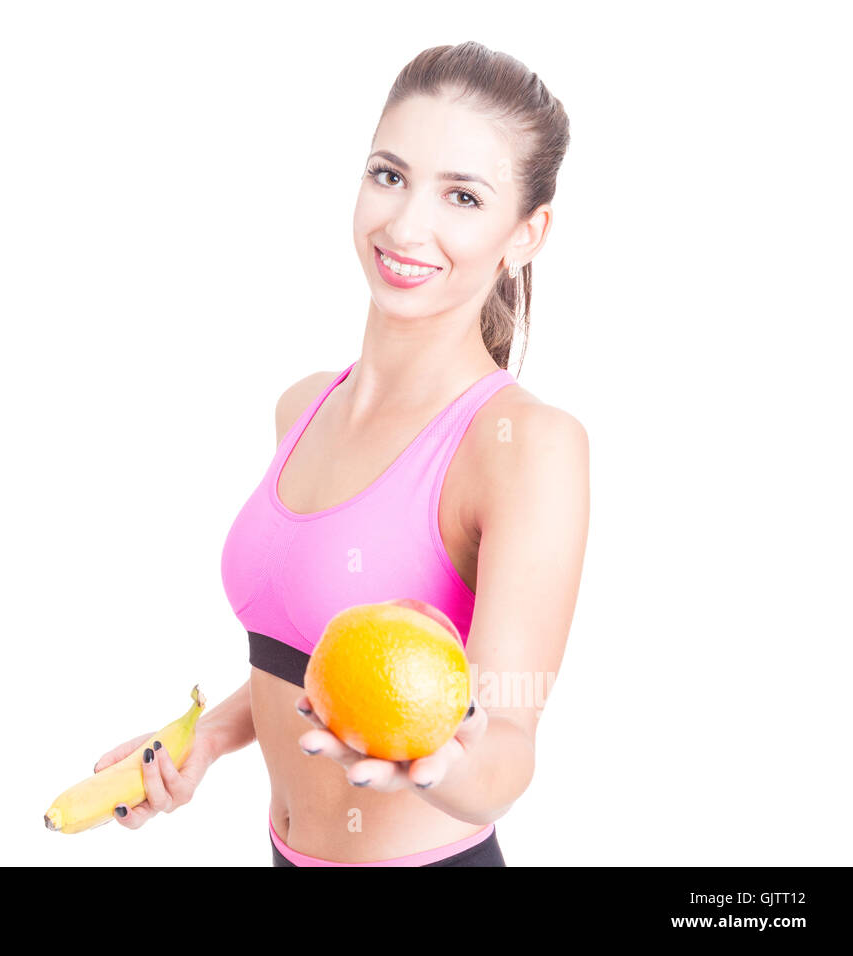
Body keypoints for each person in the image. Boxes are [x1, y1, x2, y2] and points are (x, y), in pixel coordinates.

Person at [92, 41, 588, 866]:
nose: (405, 224)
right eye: (389, 175)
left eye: (463, 196)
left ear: (526, 233)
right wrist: (208, 737)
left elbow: (508, 747)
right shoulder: (301, 405)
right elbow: (310, 655)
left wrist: (445, 764)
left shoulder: (528, 447)